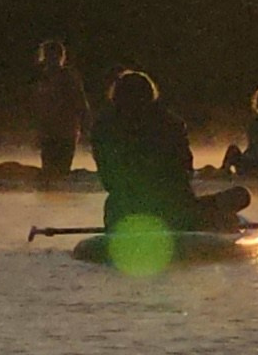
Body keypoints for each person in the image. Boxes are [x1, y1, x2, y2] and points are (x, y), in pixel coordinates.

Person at [91, 68, 246, 234]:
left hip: (123, 211)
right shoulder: (170, 123)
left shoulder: (103, 127)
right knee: (241, 195)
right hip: (174, 210)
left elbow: (108, 178)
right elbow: (185, 168)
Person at [33, 38, 90, 186]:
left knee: (60, 172)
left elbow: (80, 103)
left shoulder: (69, 77)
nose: (50, 59)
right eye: (48, 56)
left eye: (53, 56)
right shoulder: (42, 79)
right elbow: (38, 108)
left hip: (65, 132)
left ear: (60, 57)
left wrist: (85, 126)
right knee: (49, 172)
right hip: (49, 132)